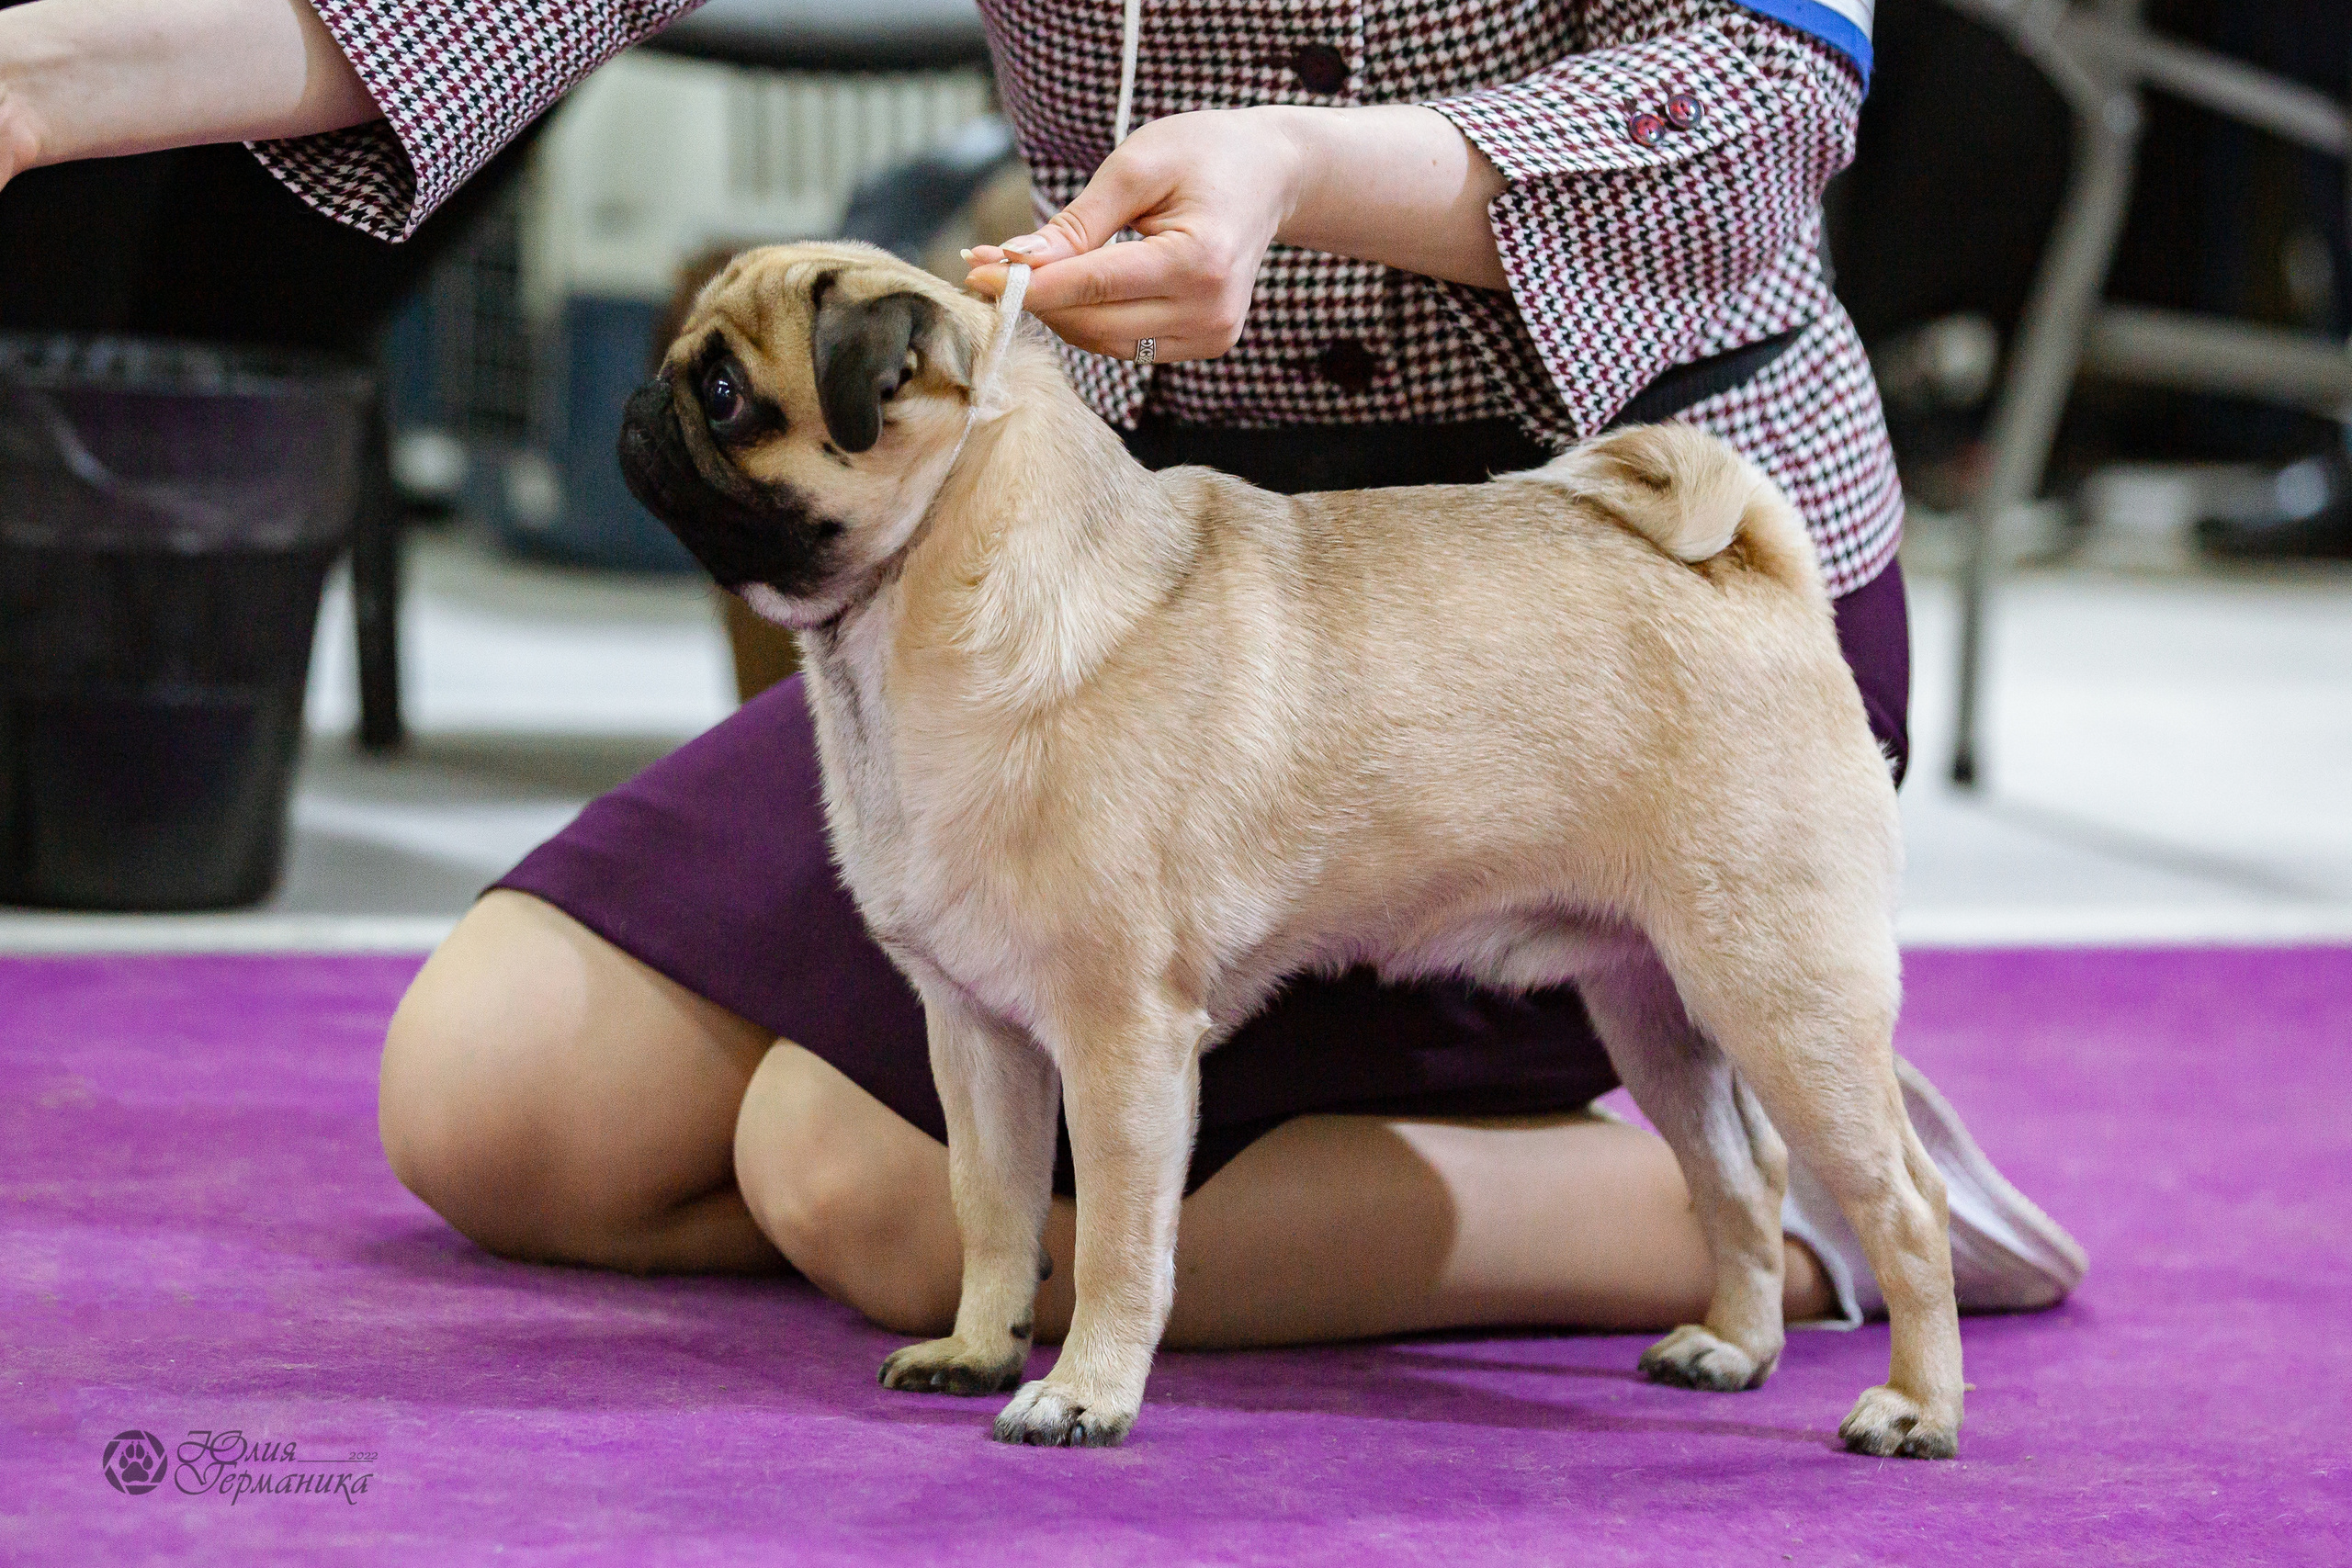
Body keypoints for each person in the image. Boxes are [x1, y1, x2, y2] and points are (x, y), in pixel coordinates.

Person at [0, 0, 2083, 1349]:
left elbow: (1769, 97)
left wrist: (1306, 167)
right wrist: (42, 77)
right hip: (1114, 558)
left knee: (868, 1193)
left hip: (1598, 608)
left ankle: (1783, 1192)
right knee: (502, 1102)